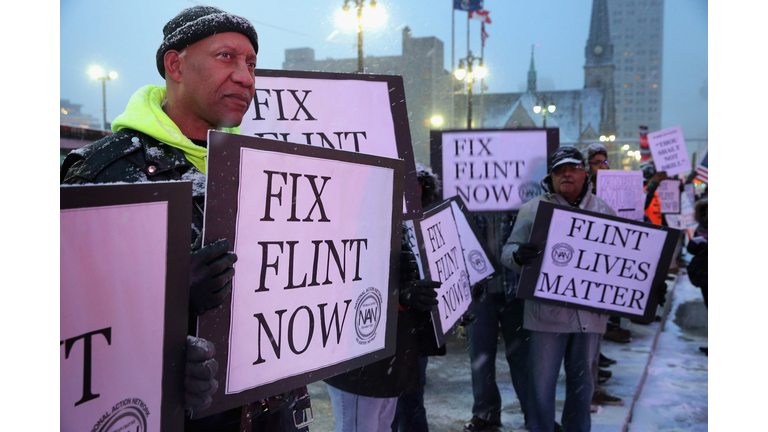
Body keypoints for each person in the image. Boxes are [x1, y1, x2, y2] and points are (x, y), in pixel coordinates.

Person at [61, 6, 308, 431]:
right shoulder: (104, 172)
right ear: (175, 65)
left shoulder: (264, 168)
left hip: (267, 410)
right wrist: (170, 301)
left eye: (251, 63)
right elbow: (71, 325)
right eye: (226, 56)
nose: (247, 78)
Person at [500, 147, 615, 432]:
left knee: (582, 384)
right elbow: (508, 251)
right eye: (559, 170)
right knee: (542, 384)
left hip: (589, 316)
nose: (566, 174)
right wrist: (518, 257)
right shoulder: (532, 209)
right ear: (550, 177)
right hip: (545, 315)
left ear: (584, 172)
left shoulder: (604, 210)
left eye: (572, 168)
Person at [323, 229, 442, 432]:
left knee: (382, 425)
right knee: (360, 426)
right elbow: (339, 275)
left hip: (395, 344)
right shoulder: (349, 215)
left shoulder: (403, 212)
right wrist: (398, 297)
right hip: (359, 349)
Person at [461, 214, 530, 432]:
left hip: (517, 290)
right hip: (478, 292)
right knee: (480, 357)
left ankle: (535, 412)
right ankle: (485, 412)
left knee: (523, 358)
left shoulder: (523, 195)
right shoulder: (464, 193)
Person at [391, 163, 445, 432]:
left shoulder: (434, 223)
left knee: (412, 394)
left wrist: (455, 307)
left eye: (417, 186)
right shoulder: (381, 221)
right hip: (389, 328)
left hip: (416, 325)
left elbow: (445, 269)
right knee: (389, 405)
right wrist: (399, 294)